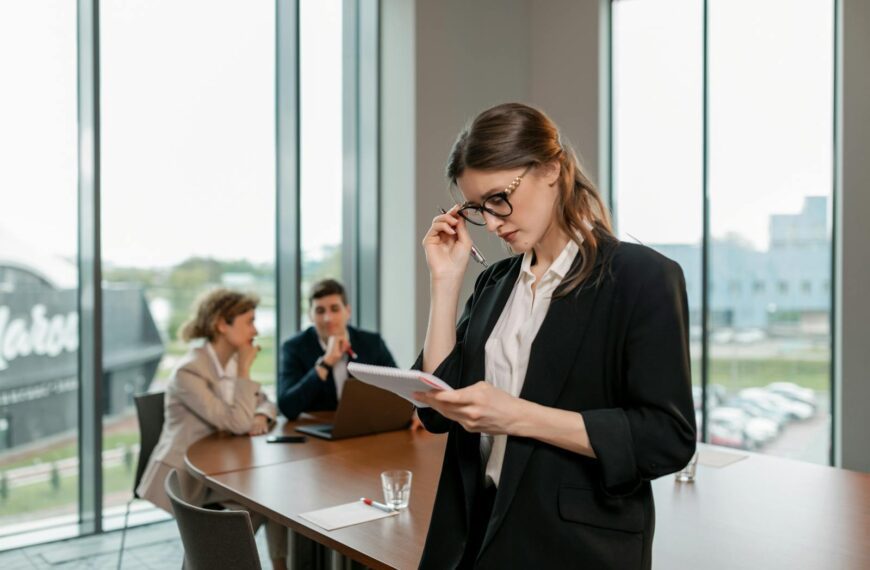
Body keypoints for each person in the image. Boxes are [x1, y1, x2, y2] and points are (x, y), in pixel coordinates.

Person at [412, 102, 696, 569]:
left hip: (573, 549)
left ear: (552, 169)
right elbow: (439, 415)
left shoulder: (641, 278)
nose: (495, 221)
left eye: (500, 197)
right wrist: (444, 282)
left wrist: (518, 416)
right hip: (473, 537)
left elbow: (666, 438)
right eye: (480, 208)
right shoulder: (496, 282)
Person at [136, 288, 287, 569]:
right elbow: (237, 422)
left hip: (221, 467)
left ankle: (279, 565)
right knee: (260, 503)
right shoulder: (189, 371)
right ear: (221, 324)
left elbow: (266, 402)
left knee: (271, 499)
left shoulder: (228, 362)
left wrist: (262, 417)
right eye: (249, 321)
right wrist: (244, 371)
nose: (255, 329)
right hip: (186, 477)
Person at [277, 278, 405, 421]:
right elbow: (287, 407)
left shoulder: (372, 342)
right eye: (320, 311)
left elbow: (399, 388)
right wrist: (326, 362)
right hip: (316, 431)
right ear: (310, 316)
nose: (328, 318)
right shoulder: (293, 347)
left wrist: (413, 412)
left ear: (347, 311)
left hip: (366, 425)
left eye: (335, 309)